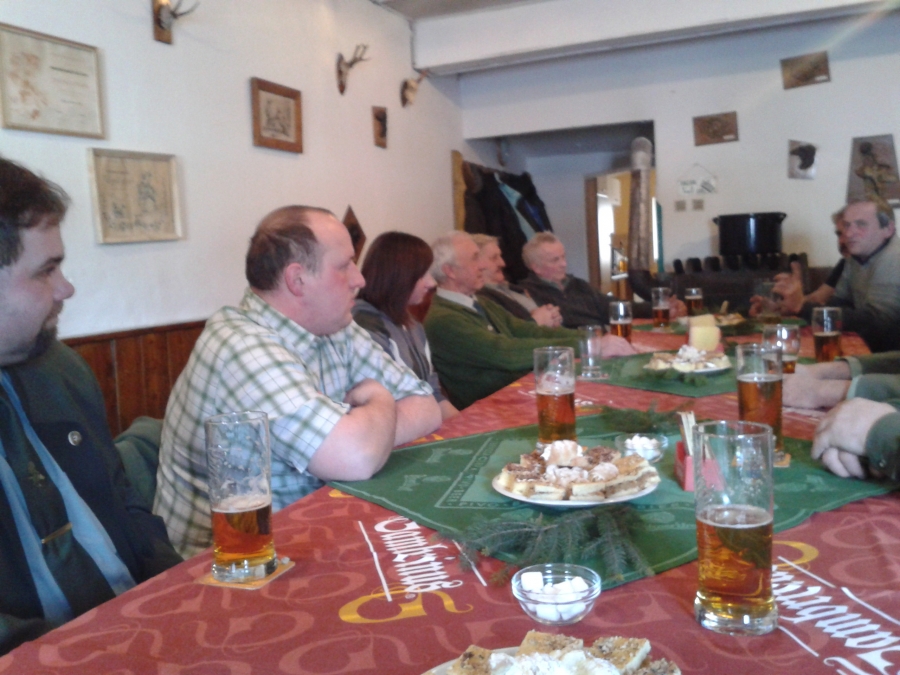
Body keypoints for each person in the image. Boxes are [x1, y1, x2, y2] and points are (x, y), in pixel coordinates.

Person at [155, 207, 441, 557]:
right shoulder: (242, 347)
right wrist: (380, 399)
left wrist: (366, 431)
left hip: (317, 531)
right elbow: (357, 457)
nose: (360, 279)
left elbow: (426, 407)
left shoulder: (334, 326)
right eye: (344, 266)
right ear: (298, 279)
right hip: (229, 566)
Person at [0, 157, 182, 655]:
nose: (66, 288)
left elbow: (125, 502)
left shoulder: (59, 368)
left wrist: (179, 593)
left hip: (148, 626)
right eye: (46, 270)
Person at [423, 231, 635, 409]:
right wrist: (587, 346)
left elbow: (529, 330)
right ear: (450, 271)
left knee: (615, 393)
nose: (482, 266)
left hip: (522, 394)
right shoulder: (443, 319)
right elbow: (505, 353)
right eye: (474, 259)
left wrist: (591, 339)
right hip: (496, 408)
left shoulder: (479, 302)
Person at [769, 200, 900, 352]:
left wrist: (802, 307)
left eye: (861, 224)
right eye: (847, 225)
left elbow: (877, 322)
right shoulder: (855, 259)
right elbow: (837, 304)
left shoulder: (894, 258)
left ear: (888, 229)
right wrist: (788, 306)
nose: (848, 234)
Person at [352, 231, 458, 420]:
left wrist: (462, 426)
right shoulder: (364, 328)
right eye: (423, 274)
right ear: (399, 276)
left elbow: (433, 392)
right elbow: (391, 404)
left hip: (424, 421)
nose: (432, 282)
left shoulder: (412, 324)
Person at [518, 232, 685, 329]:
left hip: (606, 342)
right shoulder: (527, 294)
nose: (564, 264)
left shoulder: (578, 285)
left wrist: (659, 308)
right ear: (536, 267)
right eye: (555, 260)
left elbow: (614, 306)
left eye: (563, 257)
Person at [472, 233, 562, 327]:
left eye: (500, 256)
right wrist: (537, 321)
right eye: (494, 258)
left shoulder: (514, 288)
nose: (502, 263)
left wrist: (552, 315)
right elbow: (508, 332)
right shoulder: (482, 298)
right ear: (477, 262)